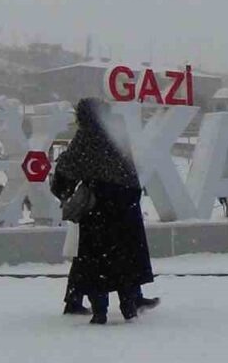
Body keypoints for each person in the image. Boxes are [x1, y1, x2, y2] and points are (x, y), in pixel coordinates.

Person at [51, 98, 158, 324]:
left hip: (99, 208)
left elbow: (67, 168)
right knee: (125, 256)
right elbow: (130, 167)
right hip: (126, 205)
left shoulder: (87, 136)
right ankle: (129, 306)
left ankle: (100, 311)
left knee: (95, 259)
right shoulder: (116, 133)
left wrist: (63, 191)